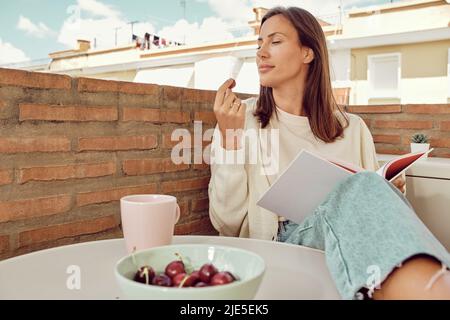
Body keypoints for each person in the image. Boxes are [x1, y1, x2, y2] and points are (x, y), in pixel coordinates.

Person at [208, 6, 450, 300]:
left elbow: (371, 212)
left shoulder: (352, 127)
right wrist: (230, 139)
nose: (261, 52)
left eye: (275, 41)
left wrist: (387, 190)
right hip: (285, 241)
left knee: (367, 187)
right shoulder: (239, 118)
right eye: (259, 43)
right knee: (359, 189)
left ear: (307, 53)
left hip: (343, 236)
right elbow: (226, 223)